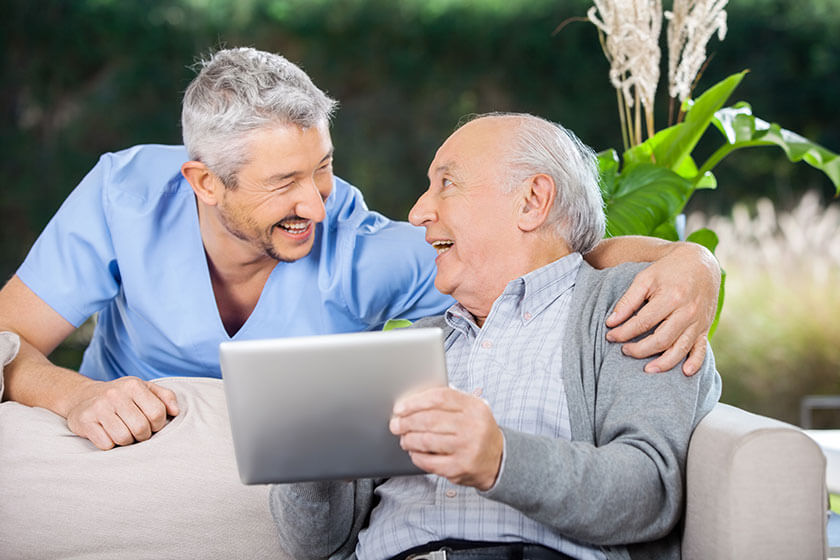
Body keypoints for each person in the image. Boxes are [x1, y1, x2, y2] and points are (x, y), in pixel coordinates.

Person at [0, 48, 719, 451]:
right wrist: (78, 395)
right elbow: (6, 341)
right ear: (204, 183)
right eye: (285, 182)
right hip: (128, 451)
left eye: (324, 167)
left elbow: (561, 259)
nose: (317, 203)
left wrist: (692, 262)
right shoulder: (124, 196)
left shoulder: (360, 249)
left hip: (285, 475)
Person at [270, 113, 722, 560]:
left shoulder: (629, 306)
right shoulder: (408, 349)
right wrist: (311, 454)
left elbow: (649, 494)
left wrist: (500, 459)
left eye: (446, 184)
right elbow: (318, 544)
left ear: (531, 201)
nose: (417, 213)